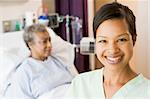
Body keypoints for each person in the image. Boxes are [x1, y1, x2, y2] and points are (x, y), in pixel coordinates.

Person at [66, 2, 150, 99]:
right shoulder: (80, 84)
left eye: (121, 40)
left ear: (133, 39)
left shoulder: (146, 92)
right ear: (96, 42)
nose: (113, 50)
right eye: (103, 41)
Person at [4, 24, 74, 99]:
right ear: (30, 44)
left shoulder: (57, 61)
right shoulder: (24, 71)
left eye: (49, 40)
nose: (49, 45)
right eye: (44, 42)